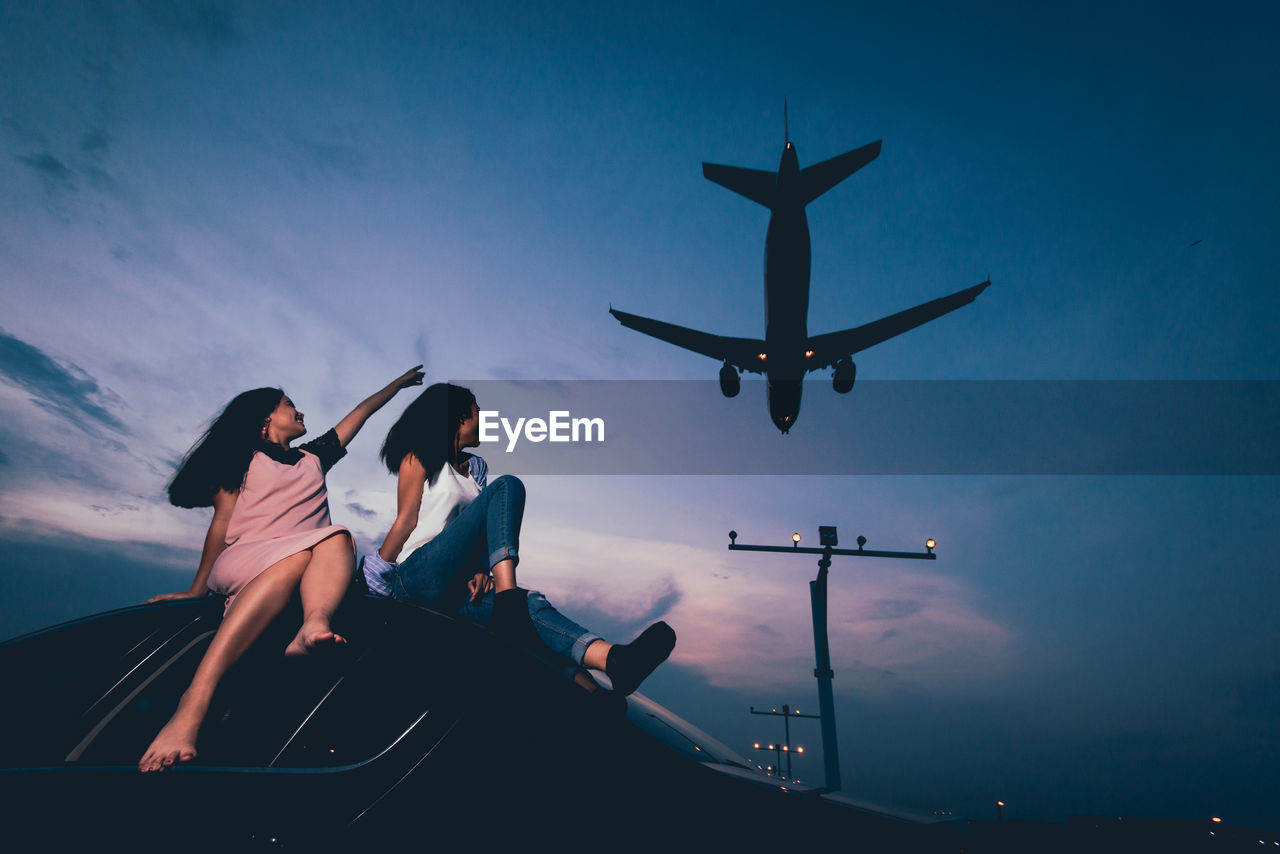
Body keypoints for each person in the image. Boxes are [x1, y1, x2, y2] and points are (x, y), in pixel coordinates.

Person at [137, 366, 424, 772]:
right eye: (290, 405)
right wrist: (198, 589)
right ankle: (191, 705)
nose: (300, 411)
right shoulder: (241, 459)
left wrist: (396, 386)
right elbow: (222, 523)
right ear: (266, 417)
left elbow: (362, 412)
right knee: (300, 552)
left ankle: (314, 623)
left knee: (338, 536)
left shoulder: (314, 457)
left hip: (300, 561)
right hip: (244, 559)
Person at [362, 382, 675, 696]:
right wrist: (376, 573)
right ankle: (507, 597)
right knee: (508, 486)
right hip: (416, 576)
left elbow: (483, 533)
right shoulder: (419, 458)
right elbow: (406, 521)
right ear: (459, 418)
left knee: (530, 607)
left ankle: (606, 670)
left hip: (455, 586)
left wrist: (483, 572)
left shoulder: (477, 469)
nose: (484, 420)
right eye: (478, 413)